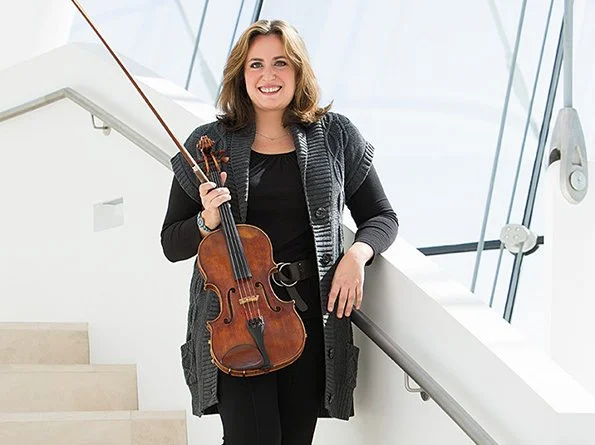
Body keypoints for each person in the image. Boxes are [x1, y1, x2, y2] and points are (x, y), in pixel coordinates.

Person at [161, 19, 398, 445]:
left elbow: (381, 217)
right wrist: (206, 222)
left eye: (280, 63)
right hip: (234, 322)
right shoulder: (207, 142)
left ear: (298, 70)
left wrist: (356, 255)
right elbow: (171, 243)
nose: (268, 75)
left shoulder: (335, 135)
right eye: (256, 64)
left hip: (309, 318)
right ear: (241, 74)